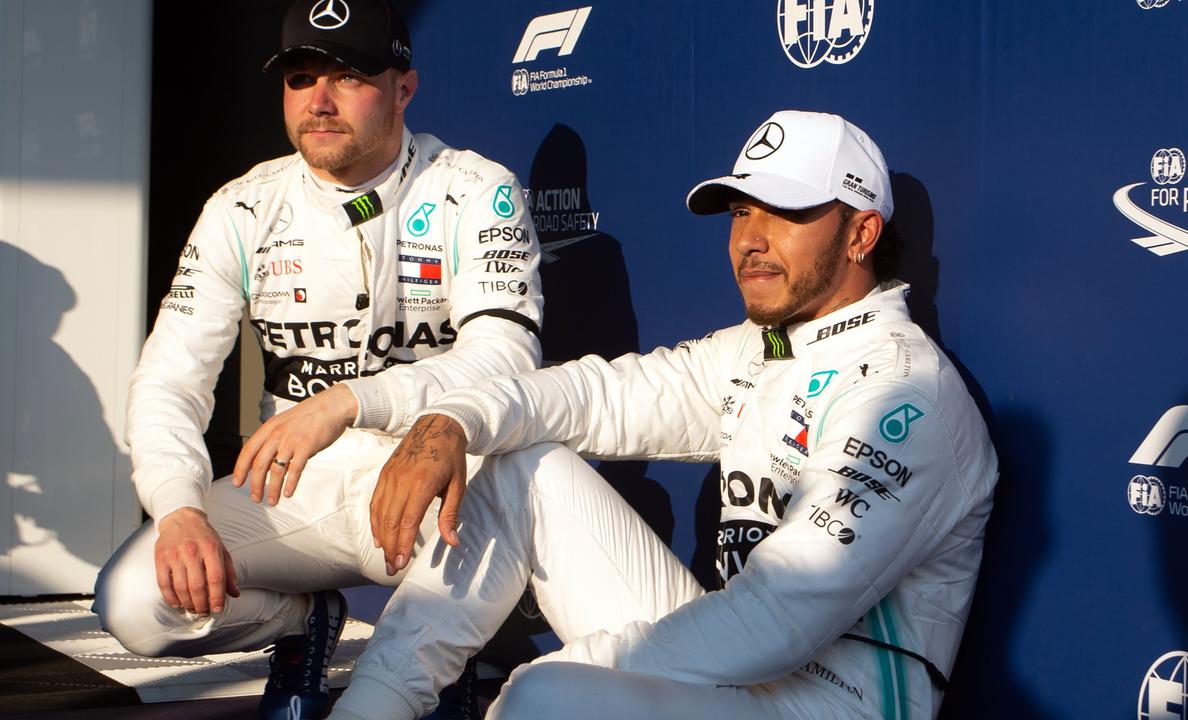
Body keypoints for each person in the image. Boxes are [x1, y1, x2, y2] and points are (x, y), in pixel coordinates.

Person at [325, 109, 999, 720]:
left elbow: (778, 621)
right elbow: (599, 395)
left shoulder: (907, 397)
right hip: (734, 677)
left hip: (828, 703)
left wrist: (573, 672)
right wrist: (455, 419)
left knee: (546, 695)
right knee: (523, 469)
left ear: (861, 233)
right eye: (741, 213)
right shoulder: (761, 352)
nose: (750, 240)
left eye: (785, 213)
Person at [92, 1, 543, 718]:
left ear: (405, 88)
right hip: (295, 489)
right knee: (135, 599)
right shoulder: (243, 207)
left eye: (350, 76)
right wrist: (176, 508)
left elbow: (508, 355)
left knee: (526, 506)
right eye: (302, 78)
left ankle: (442, 655)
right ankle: (307, 626)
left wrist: (349, 403)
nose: (320, 102)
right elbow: (169, 379)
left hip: (432, 483)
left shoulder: (474, 189)